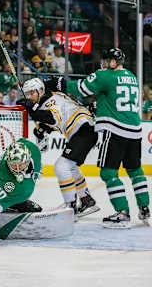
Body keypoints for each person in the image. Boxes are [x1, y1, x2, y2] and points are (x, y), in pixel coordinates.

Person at [45, 48, 150, 228]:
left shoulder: (105, 75)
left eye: (107, 60)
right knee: (135, 171)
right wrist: (98, 105)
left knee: (108, 172)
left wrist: (60, 84)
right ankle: (145, 209)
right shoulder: (132, 77)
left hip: (115, 130)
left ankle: (123, 213)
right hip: (135, 130)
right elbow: (113, 96)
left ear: (113, 62)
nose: (104, 63)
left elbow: (82, 88)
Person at [17, 78, 99, 217]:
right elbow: (54, 121)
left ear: (41, 91)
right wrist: (43, 129)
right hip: (84, 130)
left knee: (61, 167)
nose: (30, 97)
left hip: (84, 130)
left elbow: (53, 118)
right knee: (71, 167)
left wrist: (31, 108)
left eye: (32, 93)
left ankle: (71, 207)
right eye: (27, 94)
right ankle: (86, 200)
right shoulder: (50, 98)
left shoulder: (50, 100)